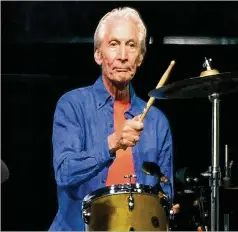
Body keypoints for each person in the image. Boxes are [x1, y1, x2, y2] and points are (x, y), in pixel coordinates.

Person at [49, 7, 174, 231]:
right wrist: (112, 143)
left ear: (140, 58)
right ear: (98, 54)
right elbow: (64, 173)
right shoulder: (72, 106)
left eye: (131, 45)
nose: (123, 55)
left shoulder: (157, 122)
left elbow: (165, 192)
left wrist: (168, 205)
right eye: (114, 44)